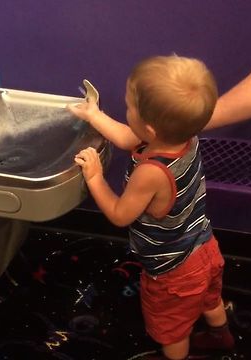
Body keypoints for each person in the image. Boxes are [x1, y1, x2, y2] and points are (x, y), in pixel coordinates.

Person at [68, 55, 234, 360]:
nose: (126, 109)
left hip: (173, 270)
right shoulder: (185, 136)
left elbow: (120, 214)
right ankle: (220, 335)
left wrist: (94, 177)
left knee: (171, 328)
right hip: (205, 247)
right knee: (210, 298)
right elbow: (123, 135)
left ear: (150, 128)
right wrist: (94, 114)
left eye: (129, 106)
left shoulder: (152, 172)